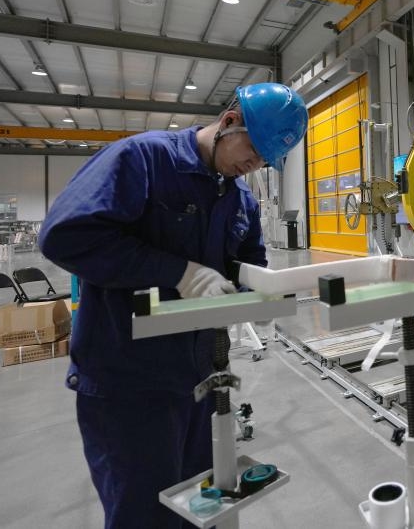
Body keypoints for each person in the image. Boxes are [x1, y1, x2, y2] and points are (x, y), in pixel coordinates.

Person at [39, 82, 307, 528]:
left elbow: (249, 263)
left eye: (264, 161)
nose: (254, 165)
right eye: (254, 150)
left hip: (197, 383)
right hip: (127, 385)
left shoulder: (239, 197)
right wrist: (178, 273)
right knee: (143, 514)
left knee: (201, 508)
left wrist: (260, 292)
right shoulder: (143, 160)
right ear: (229, 122)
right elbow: (65, 235)